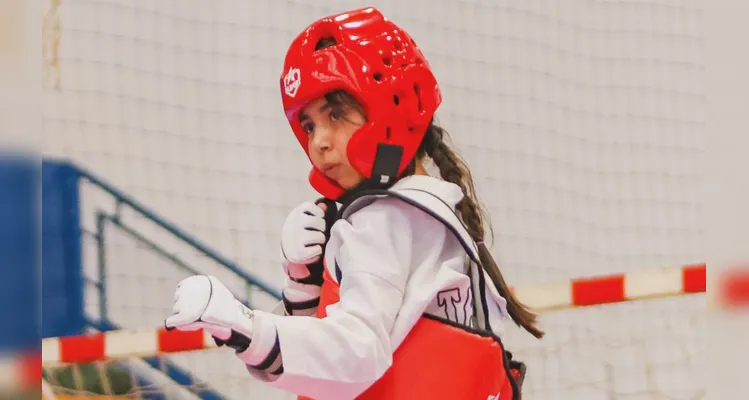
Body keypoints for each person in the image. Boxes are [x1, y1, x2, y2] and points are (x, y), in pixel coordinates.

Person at [165, 7, 544, 400]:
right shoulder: (432, 210)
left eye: (335, 115)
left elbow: (357, 355)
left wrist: (245, 328)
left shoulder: (386, 219)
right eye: (309, 124)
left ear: (392, 105)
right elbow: (364, 351)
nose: (319, 141)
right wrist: (304, 286)